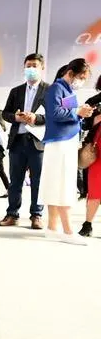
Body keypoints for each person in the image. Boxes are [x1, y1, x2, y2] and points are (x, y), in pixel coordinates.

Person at [40, 58, 94, 244]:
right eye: (81, 77)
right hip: (59, 143)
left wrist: (81, 114)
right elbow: (54, 114)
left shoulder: (68, 90)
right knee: (63, 184)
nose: (82, 82)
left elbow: (69, 116)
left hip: (67, 141)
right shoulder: (56, 88)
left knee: (57, 184)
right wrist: (77, 112)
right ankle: (68, 230)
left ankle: (52, 227)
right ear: (70, 73)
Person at [0, 53, 49, 229]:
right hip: (17, 140)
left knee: (37, 181)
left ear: (42, 68)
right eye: (28, 66)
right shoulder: (16, 91)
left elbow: (53, 115)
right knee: (15, 181)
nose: (31, 69)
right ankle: (12, 214)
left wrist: (36, 118)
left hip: (38, 142)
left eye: (35, 66)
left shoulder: (49, 90)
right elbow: (5, 113)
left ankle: (36, 215)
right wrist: (16, 118)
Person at [78, 75, 101, 237]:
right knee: (95, 188)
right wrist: (95, 119)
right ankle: (87, 224)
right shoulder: (94, 101)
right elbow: (83, 123)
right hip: (96, 150)